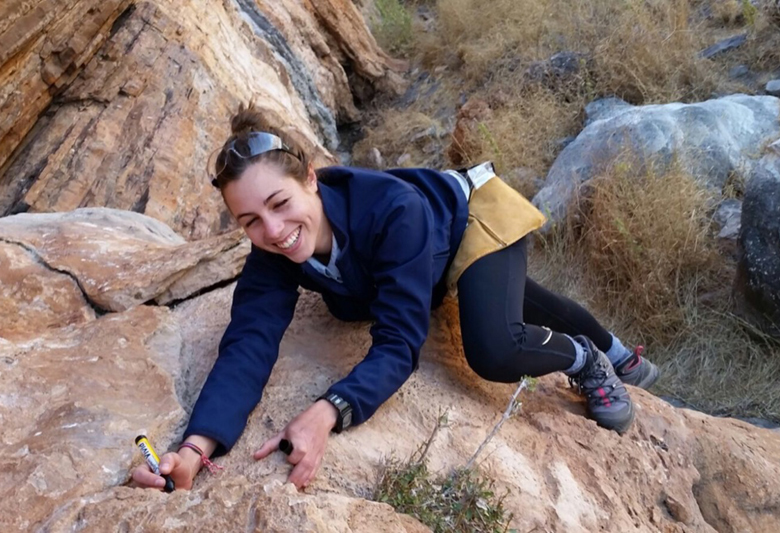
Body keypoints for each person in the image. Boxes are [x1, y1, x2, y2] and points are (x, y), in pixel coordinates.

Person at [132, 103, 660, 491]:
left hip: (467, 219)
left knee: (493, 345)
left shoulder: (391, 211)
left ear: (312, 180)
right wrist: (196, 448)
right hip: (419, 258)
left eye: (279, 202)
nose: (273, 230)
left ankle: (590, 358)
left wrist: (329, 410)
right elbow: (248, 345)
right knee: (510, 298)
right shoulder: (270, 255)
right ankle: (620, 352)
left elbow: (400, 342)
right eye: (251, 221)